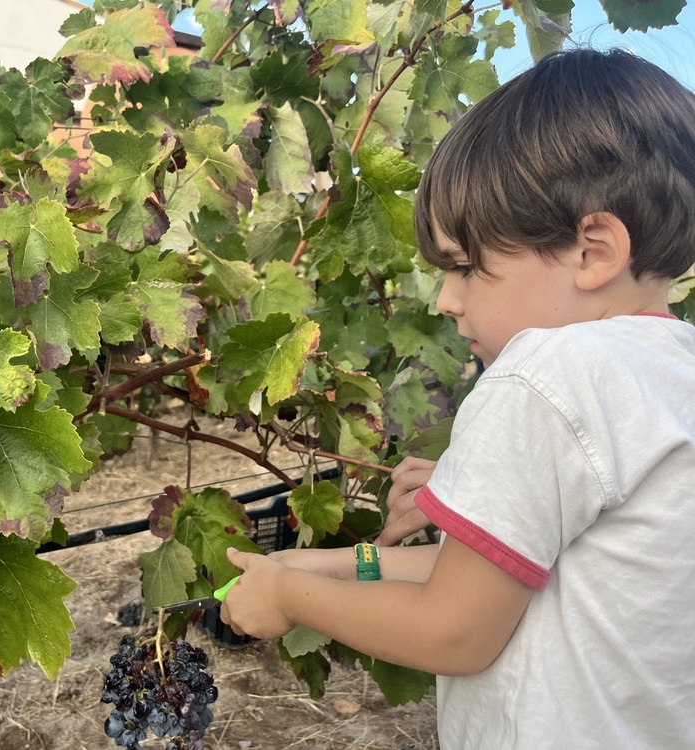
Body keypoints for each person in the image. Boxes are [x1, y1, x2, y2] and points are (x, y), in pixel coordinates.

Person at [220, 48, 695, 749]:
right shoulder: (669, 374)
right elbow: (538, 573)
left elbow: (456, 630)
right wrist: (316, 562)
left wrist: (289, 597)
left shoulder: (545, 375)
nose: (445, 299)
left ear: (593, 250)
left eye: (468, 267)